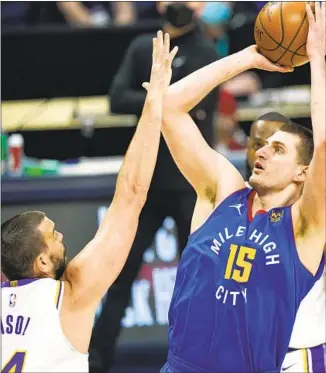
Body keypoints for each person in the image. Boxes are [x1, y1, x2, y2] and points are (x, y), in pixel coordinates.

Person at [151, 3, 325, 372]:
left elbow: (323, 148)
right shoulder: (223, 192)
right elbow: (168, 109)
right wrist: (247, 57)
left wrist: (315, 58)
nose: (262, 151)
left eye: (278, 150)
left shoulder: (304, 228)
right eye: (264, 144)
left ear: (302, 173)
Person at [1, 31, 178, 373]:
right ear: (41, 262)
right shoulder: (70, 295)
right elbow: (130, 195)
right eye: (52, 236)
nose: (61, 237)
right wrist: (155, 99)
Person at [89, 3, 219, 372]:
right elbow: (116, 98)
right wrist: (164, 101)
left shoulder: (207, 51)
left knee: (199, 281)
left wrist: (150, 99)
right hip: (145, 183)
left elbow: (201, 102)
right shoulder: (141, 46)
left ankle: (204, 358)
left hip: (191, 184)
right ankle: (96, 361)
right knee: (118, 275)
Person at [247, 113, 326, 373]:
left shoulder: (311, 210)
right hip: (247, 354)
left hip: (296, 353)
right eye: (258, 144)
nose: (263, 152)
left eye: (277, 147)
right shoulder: (234, 202)